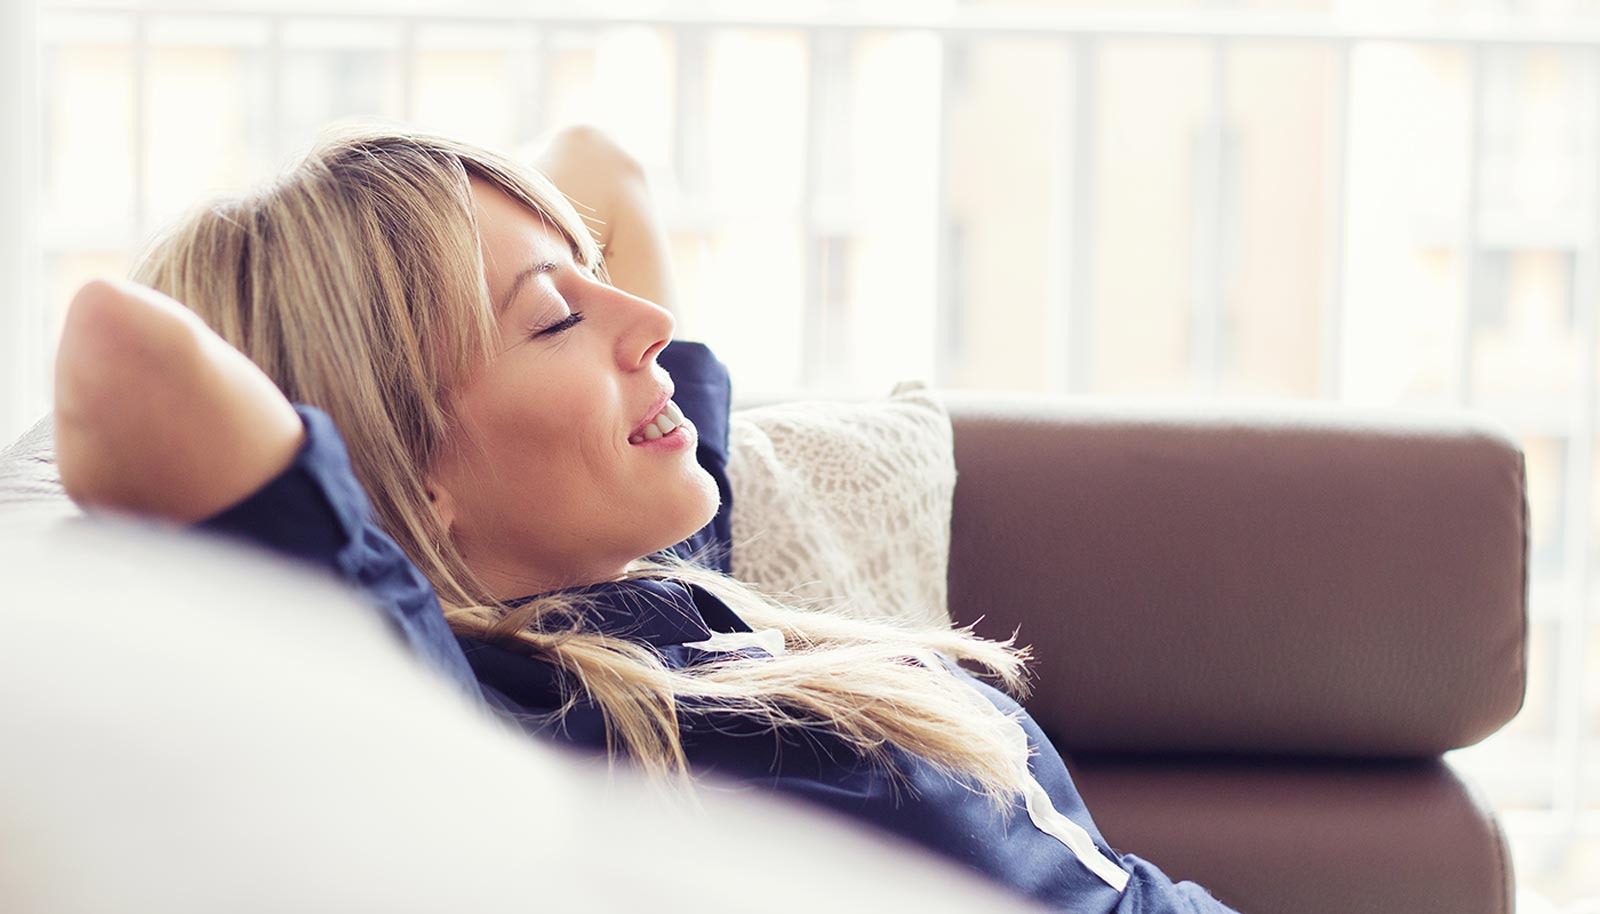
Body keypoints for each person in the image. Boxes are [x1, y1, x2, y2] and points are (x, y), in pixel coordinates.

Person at [52, 124, 1244, 914]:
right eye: (555, 320)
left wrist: (461, 235)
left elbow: (601, 160)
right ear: (410, 477)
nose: (649, 323)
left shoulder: (650, 594)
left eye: (593, 277)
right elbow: (120, 353)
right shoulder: (479, 717)